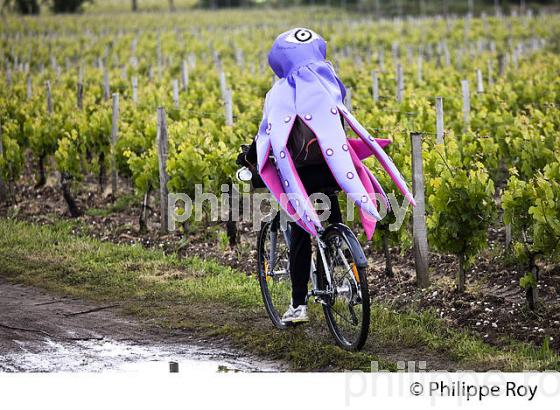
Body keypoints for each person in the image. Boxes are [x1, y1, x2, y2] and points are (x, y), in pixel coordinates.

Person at [239, 28, 415, 324]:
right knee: (332, 222)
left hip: (302, 177)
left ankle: (298, 305)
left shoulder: (279, 94)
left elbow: (266, 136)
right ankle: (344, 271)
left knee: (300, 230)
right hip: (333, 172)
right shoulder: (329, 82)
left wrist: (248, 157)